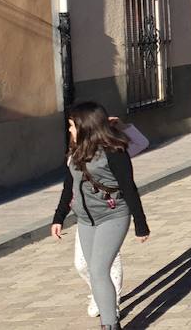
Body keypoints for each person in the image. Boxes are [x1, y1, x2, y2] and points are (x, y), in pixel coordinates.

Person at [51, 102, 149, 330]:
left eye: (72, 126)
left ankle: (110, 324)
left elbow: (129, 187)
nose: (70, 130)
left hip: (113, 215)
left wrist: (140, 224)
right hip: (86, 220)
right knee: (92, 271)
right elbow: (69, 187)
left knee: (98, 269)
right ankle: (109, 316)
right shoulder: (75, 152)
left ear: (86, 127)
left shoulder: (114, 152)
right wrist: (58, 218)